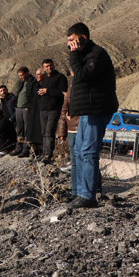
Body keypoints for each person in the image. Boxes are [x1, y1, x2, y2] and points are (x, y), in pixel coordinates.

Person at [66, 22, 118, 209]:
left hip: (98, 109)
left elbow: (80, 76)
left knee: (88, 152)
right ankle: (81, 193)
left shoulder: (97, 53)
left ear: (83, 38)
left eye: (72, 41)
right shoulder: (84, 55)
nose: (70, 45)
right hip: (88, 110)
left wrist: (74, 55)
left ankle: (88, 196)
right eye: (68, 42)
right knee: (79, 150)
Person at [37, 59, 68, 164]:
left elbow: (63, 93)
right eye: (46, 66)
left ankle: (48, 154)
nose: (49, 68)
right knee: (44, 132)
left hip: (53, 109)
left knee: (49, 132)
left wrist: (48, 91)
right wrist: (41, 92)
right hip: (43, 109)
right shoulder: (45, 79)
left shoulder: (60, 77)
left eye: (50, 65)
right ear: (44, 68)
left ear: (54, 65)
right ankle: (44, 152)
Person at [57, 71, 78, 199]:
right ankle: (76, 192)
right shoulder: (70, 88)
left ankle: (95, 190)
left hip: (85, 129)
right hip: (72, 129)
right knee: (74, 163)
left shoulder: (89, 85)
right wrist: (62, 130)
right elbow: (65, 110)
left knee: (89, 160)